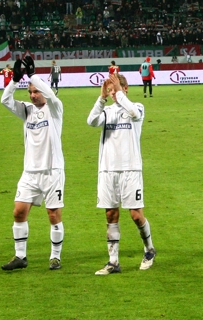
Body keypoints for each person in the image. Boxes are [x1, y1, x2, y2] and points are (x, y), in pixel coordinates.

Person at [0, 56, 66, 271]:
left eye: (35, 91)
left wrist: (33, 76)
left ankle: (55, 257)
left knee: (53, 215)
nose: (33, 94)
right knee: (19, 212)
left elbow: (49, 94)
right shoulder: (27, 110)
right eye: (30, 92)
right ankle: (20, 256)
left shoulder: (55, 109)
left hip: (52, 170)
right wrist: (14, 80)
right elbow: (5, 101)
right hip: (30, 171)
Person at [87, 73, 156, 276]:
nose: (113, 93)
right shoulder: (107, 112)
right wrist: (101, 98)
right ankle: (113, 261)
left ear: (125, 89)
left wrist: (118, 91)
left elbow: (133, 112)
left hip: (131, 169)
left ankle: (149, 250)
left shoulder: (138, 108)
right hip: (108, 170)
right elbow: (91, 121)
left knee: (135, 215)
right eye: (110, 90)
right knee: (111, 214)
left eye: (116, 88)